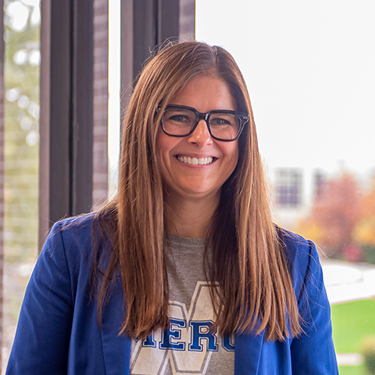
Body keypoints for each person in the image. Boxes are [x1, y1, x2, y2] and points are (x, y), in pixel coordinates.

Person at [6, 41, 338, 374]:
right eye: (180, 117)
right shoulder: (73, 252)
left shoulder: (294, 265)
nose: (200, 136)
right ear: (144, 126)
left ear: (242, 137)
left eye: (221, 120)